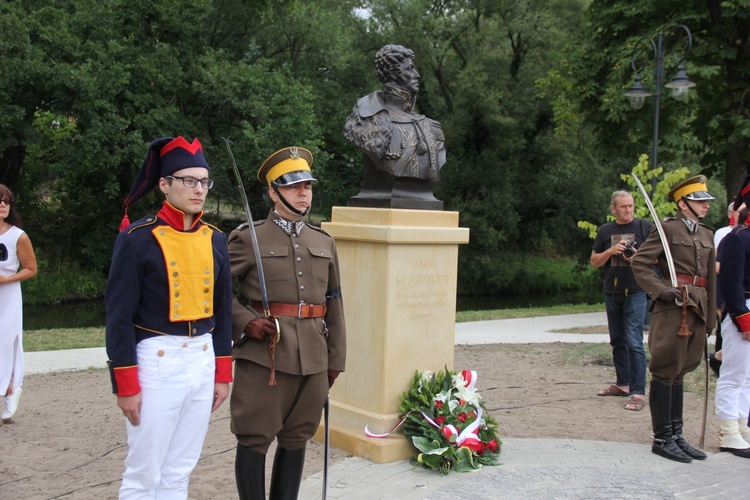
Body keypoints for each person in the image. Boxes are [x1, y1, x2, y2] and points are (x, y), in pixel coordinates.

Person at [105, 136, 233, 498]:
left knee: (180, 470)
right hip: (157, 362)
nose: (199, 190)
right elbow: (118, 317)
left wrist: (223, 374)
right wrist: (126, 385)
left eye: (204, 181)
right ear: (164, 184)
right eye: (188, 180)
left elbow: (223, 313)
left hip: (203, 359)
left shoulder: (216, 239)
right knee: (143, 473)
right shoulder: (137, 238)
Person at [228, 146, 346, 499]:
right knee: (254, 437)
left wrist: (336, 358)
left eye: (307, 186)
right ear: (273, 192)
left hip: (313, 356)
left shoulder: (323, 241)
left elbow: (334, 303)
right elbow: (216, 292)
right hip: (267, 356)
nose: (303, 193)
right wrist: (245, 321)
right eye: (294, 187)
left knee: (297, 438)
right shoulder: (248, 238)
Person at [631, 174, 716, 463]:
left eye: (706, 201)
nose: (705, 206)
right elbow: (640, 262)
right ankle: (662, 437)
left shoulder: (706, 234)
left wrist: (712, 316)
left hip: (698, 307)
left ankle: (677, 435)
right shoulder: (667, 229)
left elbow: (710, 279)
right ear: (682, 203)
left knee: (681, 370)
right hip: (673, 308)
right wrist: (662, 291)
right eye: (698, 201)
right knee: (665, 368)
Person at [343, 44, 445, 209]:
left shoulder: (429, 125)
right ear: (392, 72)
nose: (416, 75)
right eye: (410, 69)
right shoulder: (367, 116)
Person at [590, 191, 652, 412]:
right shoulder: (606, 230)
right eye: (623, 207)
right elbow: (595, 261)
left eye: (631, 206)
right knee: (617, 339)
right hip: (612, 290)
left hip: (636, 290)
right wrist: (610, 251)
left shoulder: (645, 227)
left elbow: (657, 256)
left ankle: (638, 391)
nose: (628, 210)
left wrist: (635, 256)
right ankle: (623, 383)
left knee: (634, 340)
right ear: (613, 209)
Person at [714, 176, 750, 458]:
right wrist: (743, 318)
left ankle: (742, 427)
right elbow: (729, 283)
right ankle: (728, 431)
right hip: (743, 311)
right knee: (734, 375)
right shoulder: (736, 238)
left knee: (748, 377)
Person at [0, 184, 37, 425]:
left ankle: (10, 390)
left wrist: (7, 279)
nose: (3, 205)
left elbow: (31, 269)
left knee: (5, 343)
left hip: (8, 295)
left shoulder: (18, 236)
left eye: (6, 201)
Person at [710, 202, 746, 376]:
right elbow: (721, 267)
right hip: (738, 298)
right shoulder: (731, 236)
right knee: (735, 374)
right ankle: (718, 358)